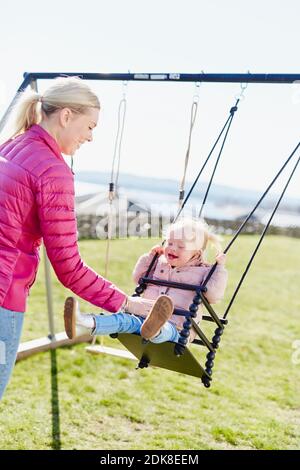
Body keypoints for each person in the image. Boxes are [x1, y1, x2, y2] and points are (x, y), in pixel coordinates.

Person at [0, 76, 141, 400]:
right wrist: (126, 303)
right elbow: (69, 267)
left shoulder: (12, 144)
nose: (91, 137)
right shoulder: (53, 170)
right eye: (90, 126)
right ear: (66, 116)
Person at [64, 218, 228, 344]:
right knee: (124, 320)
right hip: (142, 319)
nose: (172, 248)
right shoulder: (160, 262)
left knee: (164, 329)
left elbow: (213, 295)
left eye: (180, 246)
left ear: (196, 253)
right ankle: (83, 323)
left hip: (178, 330)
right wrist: (150, 257)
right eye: (170, 243)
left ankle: (156, 329)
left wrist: (219, 268)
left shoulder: (204, 272)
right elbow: (138, 277)